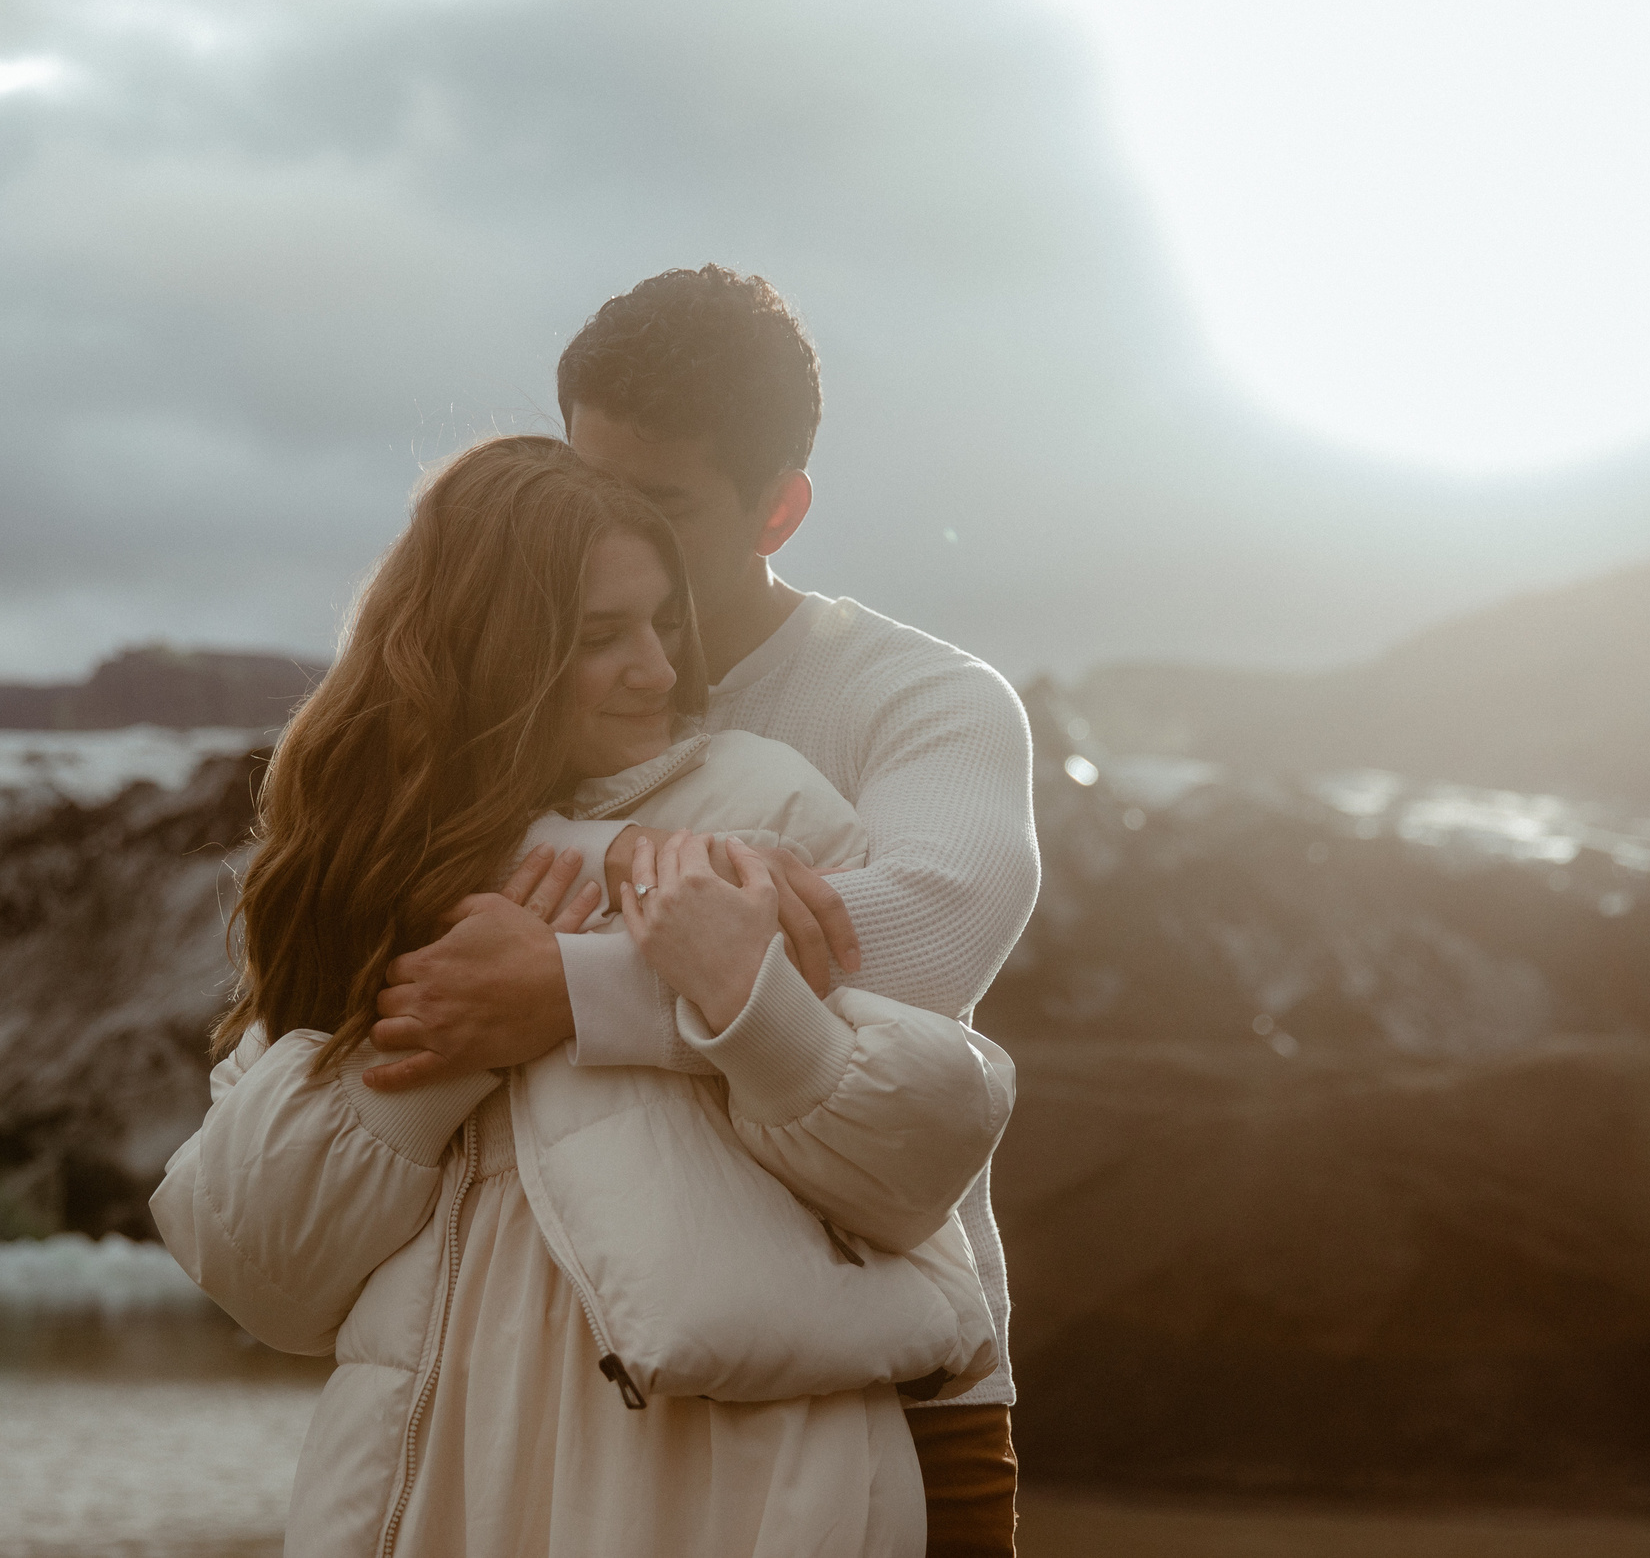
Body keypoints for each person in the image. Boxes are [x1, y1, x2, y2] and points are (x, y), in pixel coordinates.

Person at [153, 435, 1012, 1558]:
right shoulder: (371, 872)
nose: (657, 669)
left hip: (728, 1493)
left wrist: (670, 992)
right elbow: (264, 1274)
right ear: (486, 652)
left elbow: (913, 1171)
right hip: (437, 1490)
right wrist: (450, 1033)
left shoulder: (758, 805)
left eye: (661, 625)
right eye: (600, 637)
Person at [364, 268, 1041, 1557]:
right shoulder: (519, 697)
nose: (606, 526)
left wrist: (565, 987)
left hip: (892, 1378)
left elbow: (912, 947)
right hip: (569, 1391)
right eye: (590, 478)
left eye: (659, 504)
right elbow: (398, 919)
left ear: (777, 507)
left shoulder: (925, 701)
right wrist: (645, 871)